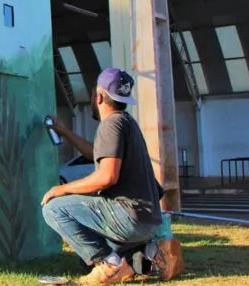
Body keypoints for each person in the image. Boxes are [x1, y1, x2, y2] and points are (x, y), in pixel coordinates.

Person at [41, 67, 183, 285]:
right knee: (85, 259)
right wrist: (64, 131)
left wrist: (61, 189)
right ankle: (153, 253)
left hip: (128, 217)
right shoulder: (127, 123)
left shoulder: (111, 125)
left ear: (98, 96)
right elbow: (94, 153)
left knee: (54, 208)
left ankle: (111, 265)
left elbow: (107, 176)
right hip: (146, 221)